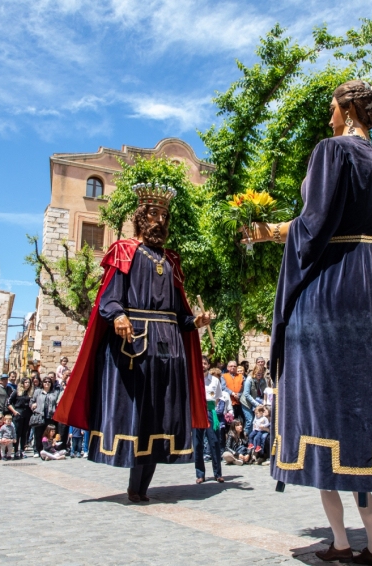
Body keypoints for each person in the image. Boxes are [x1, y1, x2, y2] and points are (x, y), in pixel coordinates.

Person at [246, 80, 372, 565]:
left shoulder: (332, 151)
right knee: (366, 420)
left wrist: (267, 232)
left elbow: (314, 225)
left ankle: (343, 542)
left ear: (347, 109)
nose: (328, 113)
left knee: (325, 418)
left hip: (338, 288)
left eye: (332, 105)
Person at [53, 181, 212, 505]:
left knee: (159, 420)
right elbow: (108, 299)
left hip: (169, 351)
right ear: (141, 217)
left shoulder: (171, 261)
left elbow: (180, 315)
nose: (160, 220)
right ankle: (134, 487)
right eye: (153, 213)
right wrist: (118, 316)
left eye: (164, 215)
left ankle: (143, 487)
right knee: (138, 418)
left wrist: (195, 321)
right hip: (135, 348)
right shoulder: (125, 251)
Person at [194, 356, 223, 484]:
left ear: (208, 365)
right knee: (198, 443)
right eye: (201, 363)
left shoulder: (215, 380)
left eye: (205, 363)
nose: (203, 365)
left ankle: (218, 473)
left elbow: (217, 397)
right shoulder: (194, 379)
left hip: (210, 410)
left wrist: (211, 409)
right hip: (197, 411)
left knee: (214, 441)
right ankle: (200, 474)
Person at [30, 377, 58, 457]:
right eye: (45, 382)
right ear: (42, 383)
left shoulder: (54, 392)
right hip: (39, 415)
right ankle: (37, 450)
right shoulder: (38, 391)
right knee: (38, 433)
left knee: (48, 435)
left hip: (49, 416)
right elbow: (32, 401)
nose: (47, 383)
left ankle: (46, 449)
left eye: (49, 382)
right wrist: (33, 405)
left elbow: (56, 403)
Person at [7, 376, 34, 459]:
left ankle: (22, 450)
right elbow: (8, 403)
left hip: (27, 414)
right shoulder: (17, 392)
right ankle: (15, 451)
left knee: (24, 433)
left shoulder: (30, 393)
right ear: (22, 383)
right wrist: (14, 412)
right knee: (17, 433)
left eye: (29, 382)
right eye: (26, 382)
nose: (27, 384)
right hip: (18, 413)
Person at [240, 363, 267, 437]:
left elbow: (265, 391)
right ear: (254, 372)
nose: (260, 375)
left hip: (256, 402)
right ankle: (244, 438)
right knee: (250, 420)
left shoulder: (263, 380)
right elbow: (246, 394)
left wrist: (264, 402)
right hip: (246, 402)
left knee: (256, 421)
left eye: (261, 374)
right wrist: (257, 404)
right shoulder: (249, 379)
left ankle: (251, 439)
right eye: (258, 373)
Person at [221, 360, 244, 425]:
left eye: (234, 366)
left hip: (240, 402)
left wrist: (238, 395)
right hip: (229, 403)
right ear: (227, 367)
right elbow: (223, 387)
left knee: (240, 421)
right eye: (231, 366)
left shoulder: (241, 376)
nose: (233, 367)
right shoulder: (224, 376)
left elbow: (243, 388)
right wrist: (233, 393)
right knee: (230, 421)